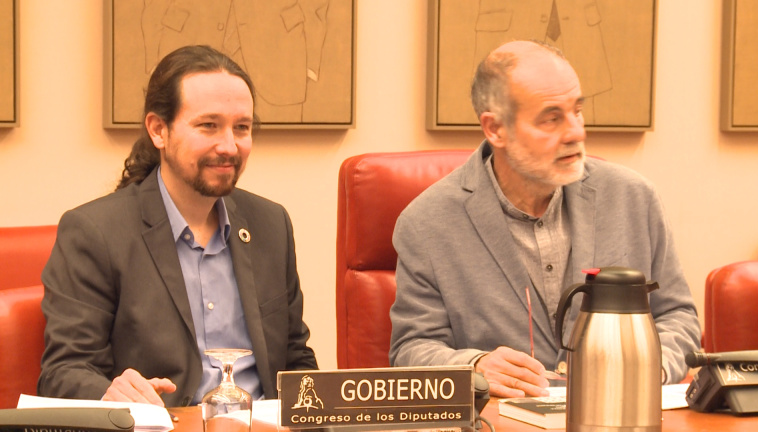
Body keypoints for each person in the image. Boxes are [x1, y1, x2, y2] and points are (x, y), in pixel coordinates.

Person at [388, 40, 701, 399]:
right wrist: (474, 366)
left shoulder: (633, 199)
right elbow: (411, 348)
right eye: (552, 118)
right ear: (495, 129)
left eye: (577, 111)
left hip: (619, 413)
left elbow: (677, 317)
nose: (576, 132)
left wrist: (647, 369)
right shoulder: (427, 223)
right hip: (504, 419)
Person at [38, 45, 317, 407]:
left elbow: (295, 358)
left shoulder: (271, 224)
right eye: (208, 126)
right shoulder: (95, 233)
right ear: (159, 130)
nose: (229, 146)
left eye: (242, 128)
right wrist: (112, 393)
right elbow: (64, 372)